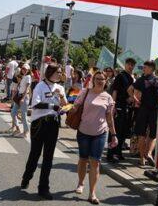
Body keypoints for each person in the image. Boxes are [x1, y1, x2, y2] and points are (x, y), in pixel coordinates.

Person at [21, 63, 68, 200]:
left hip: (53, 123)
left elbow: (65, 105)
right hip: (39, 123)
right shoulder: (40, 86)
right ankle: (27, 177)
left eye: (61, 72)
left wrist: (61, 97)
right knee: (35, 153)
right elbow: (35, 104)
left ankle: (43, 188)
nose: (60, 74)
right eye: (58, 72)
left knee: (48, 156)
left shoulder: (60, 87)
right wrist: (53, 106)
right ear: (50, 72)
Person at [73, 71, 116, 204]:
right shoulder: (85, 92)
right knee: (83, 159)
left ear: (106, 81)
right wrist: (72, 108)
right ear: (93, 80)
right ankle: (80, 183)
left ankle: (92, 193)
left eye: (102, 79)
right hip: (84, 132)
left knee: (95, 162)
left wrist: (114, 135)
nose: (100, 81)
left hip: (100, 133)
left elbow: (110, 117)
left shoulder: (108, 97)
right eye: (97, 79)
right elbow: (75, 106)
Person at [130, 60, 158, 166]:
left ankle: (142, 159)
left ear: (151, 69)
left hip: (143, 109)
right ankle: (149, 153)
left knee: (141, 134)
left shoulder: (141, 80)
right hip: (154, 110)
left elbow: (129, 89)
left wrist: (135, 100)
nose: (143, 69)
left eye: (145, 67)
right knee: (153, 134)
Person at [107, 57, 136, 162]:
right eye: (129, 64)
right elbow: (115, 90)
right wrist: (113, 105)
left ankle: (118, 152)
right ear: (125, 65)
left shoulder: (131, 78)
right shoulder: (120, 76)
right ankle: (111, 154)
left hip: (127, 107)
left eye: (132, 65)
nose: (130, 66)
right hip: (118, 105)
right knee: (116, 131)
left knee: (123, 131)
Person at [10, 63, 32, 137]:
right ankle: (17, 128)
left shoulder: (28, 77)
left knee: (23, 115)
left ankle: (25, 132)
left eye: (25, 69)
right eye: (23, 68)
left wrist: (23, 98)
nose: (24, 70)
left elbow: (27, 88)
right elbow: (20, 87)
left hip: (24, 97)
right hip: (19, 96)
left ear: (28, 70)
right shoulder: (24, 76)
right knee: (13, 113)